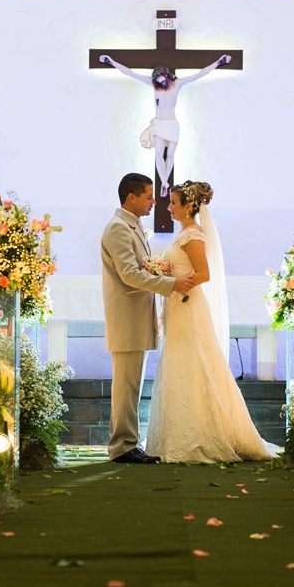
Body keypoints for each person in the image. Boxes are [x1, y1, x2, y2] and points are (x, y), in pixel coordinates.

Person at [145, 180, 281, 463]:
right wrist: (166, 272)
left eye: (173, 203)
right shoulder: (183, 233)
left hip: (188, 306)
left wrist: (171, 280)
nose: (168, 207)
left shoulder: (193, 234)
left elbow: (203, 274)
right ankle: (178, 433)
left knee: (194, 364)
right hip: (178, 306)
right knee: (181, 364)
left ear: (189, 206)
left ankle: (203, 436)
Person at [101, 173, 195, 464]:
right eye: (149, 196)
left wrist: (159, 272)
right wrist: (171, 284)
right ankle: (122, 447)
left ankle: (127, 443)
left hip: (135, 315)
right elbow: (129, 275)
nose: (155, 201)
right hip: (126, 317)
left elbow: (139, 268)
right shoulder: (118, 228)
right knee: (126, 385)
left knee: (131, 386)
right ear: (132, 197)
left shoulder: (132, 225)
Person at [99, 54, 231, 185]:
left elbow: (200, 74)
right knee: (158, 154)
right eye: (159, 80)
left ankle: (164, 181)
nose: (161, 82)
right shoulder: (153, 84)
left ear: (167, 75)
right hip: (159, 123)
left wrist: (219, 62)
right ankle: (164, 183)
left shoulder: (177, 84)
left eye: (163, 79)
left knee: (170, 155)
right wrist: (111, 62)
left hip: (172, 124)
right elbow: (130, 73)